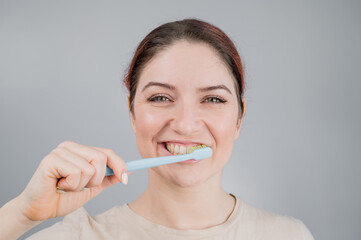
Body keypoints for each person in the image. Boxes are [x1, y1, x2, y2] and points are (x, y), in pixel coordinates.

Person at [0, 18, 314, 240]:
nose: (186, 124)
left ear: (239, 120)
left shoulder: (289, 236)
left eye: (213, 99)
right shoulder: (76, 237)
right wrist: (21, 214)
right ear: (132, 113)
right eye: (161, 97)